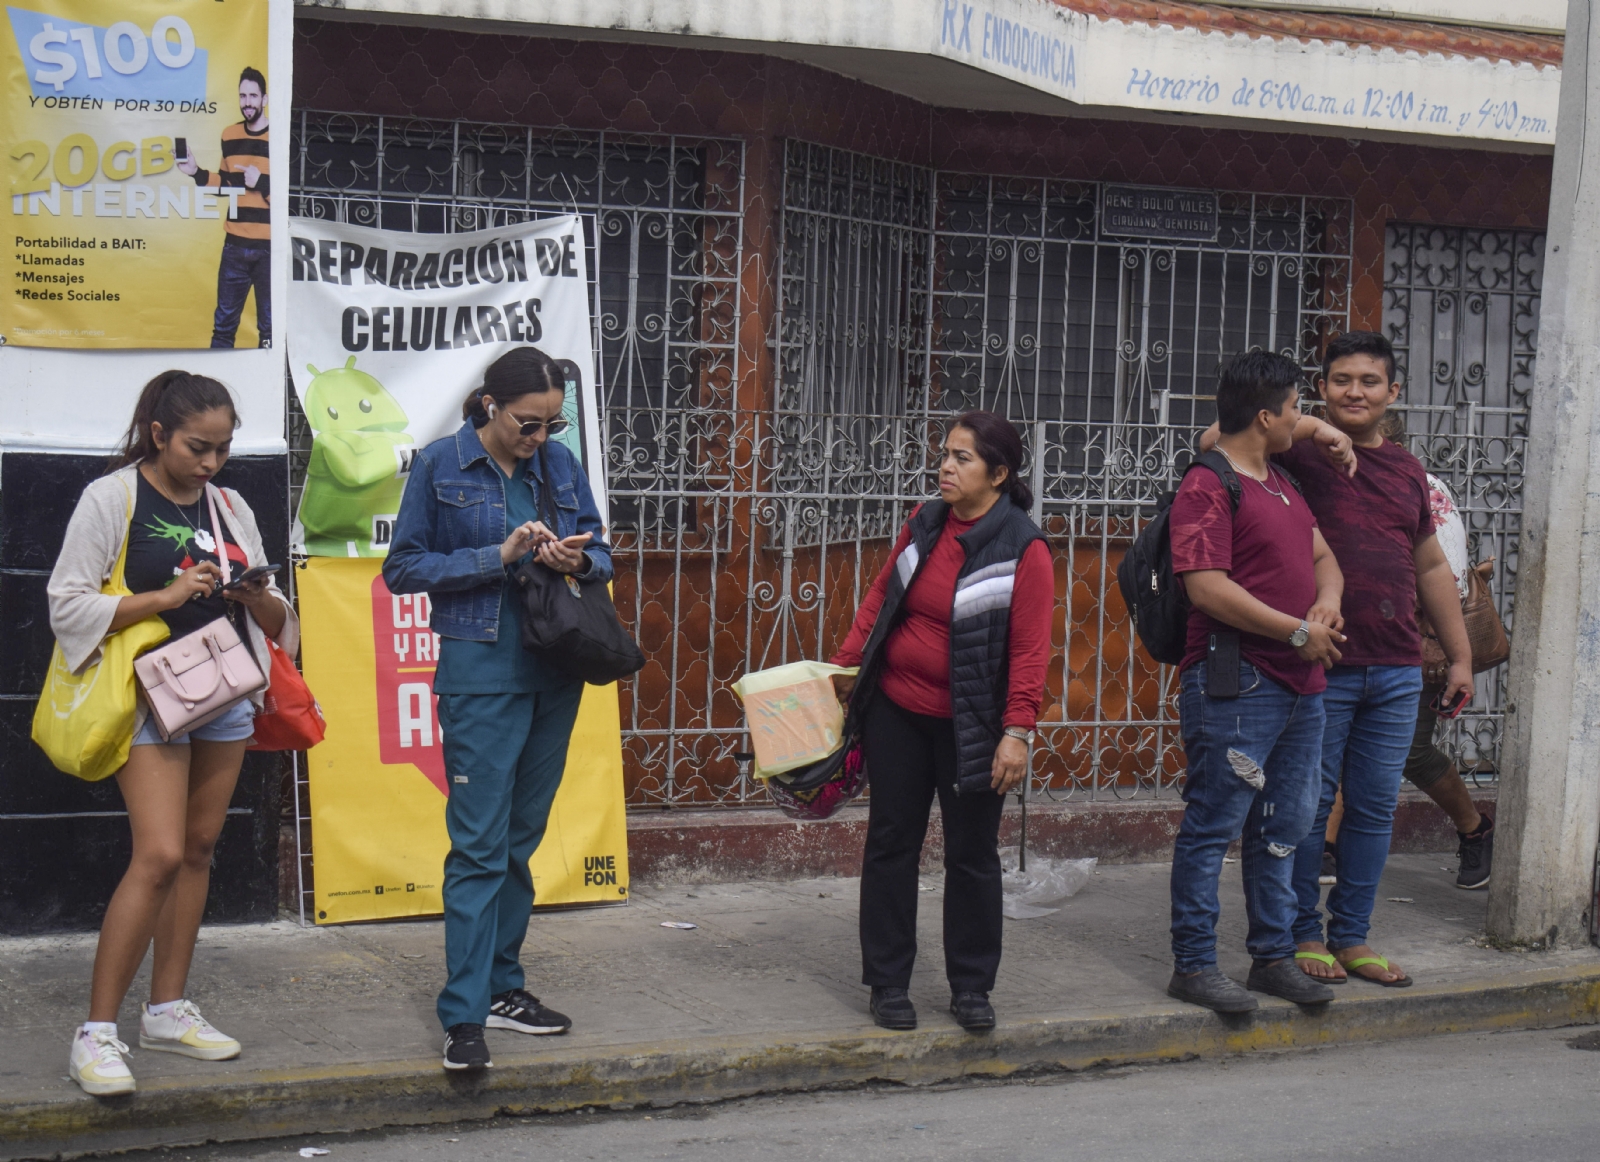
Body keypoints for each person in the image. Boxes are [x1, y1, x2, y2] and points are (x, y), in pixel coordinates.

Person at [49, 372, 297, 1095]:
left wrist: (257, 593)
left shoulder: (229, 504)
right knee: (156, 853)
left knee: (197, 849)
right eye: (198, 447)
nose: (211, 463)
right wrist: (164, 595)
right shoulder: (113, 498)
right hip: (143, 693)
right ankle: (95, 1035)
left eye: (223, 448)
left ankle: (166, 1012)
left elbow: (277, 623)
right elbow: (66, 603)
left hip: (222, 689)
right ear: (159, 434)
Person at [1204, 332, 1474, 987]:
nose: (1356, 391)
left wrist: (1460, 656)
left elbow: (1431, 564)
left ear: (1393, 393)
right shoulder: (1292, 449)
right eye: (1342, 380)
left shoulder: (1410, 471)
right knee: (1305, 805)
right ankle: (1300, 934)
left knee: (1375, 807)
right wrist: (1316, 430)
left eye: (1370, 381)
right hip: (1316, 665)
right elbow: (1215, 442)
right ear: (1320, 389)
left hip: (1398, 667)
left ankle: (1351, 936)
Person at [383, 348, 610, 1072]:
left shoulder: (560, 464)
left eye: (552, 424)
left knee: (519, 841)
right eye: (527, 423)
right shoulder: (441, 464)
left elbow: (601, 548)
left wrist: (578, 560)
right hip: (480, 672)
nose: (539, 438)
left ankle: (504, 989)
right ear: (489, 406)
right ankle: (464, 1014)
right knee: (479, 847)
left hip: (555, 668)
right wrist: (497, 554)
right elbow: (402, 568)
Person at [829, 412, 1051, 1033]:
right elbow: (879, 598)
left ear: (999, 474)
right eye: (945, 455)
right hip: (897, 712)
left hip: (973, 727)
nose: (945, 468)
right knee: (891, 844)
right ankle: (888, 982)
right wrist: (845, 668)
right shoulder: (925, 523)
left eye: (962, 458)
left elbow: (1031, 651)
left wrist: (1017, 732)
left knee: (972, 856)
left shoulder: (1023, 547)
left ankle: (972, 988)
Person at [1165, 351, 1346, 1013]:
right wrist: (1297, 632)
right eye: (1296, 408)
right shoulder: (1208, 485)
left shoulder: (1280, 482)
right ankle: (1194, 964)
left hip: (1302, 687)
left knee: (1288, 825)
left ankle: (1271, 957)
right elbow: (1206, 589)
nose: (1301, 420)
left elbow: (1323, 556)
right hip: (1238, 683)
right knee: (1215, 823)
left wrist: (1325, 604)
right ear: (1266, 416)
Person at [179, 67, 271, 348]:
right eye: (243, 96)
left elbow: (291, 196)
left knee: (270, 331)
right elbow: (227, 185)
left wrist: (263, 183)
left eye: (253, 96)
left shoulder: (279, 137)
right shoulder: (229, 135)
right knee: (223, 330)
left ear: (264, 99)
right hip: (234, 248)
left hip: (270, 249)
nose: (247, 102)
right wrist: (196, 172)